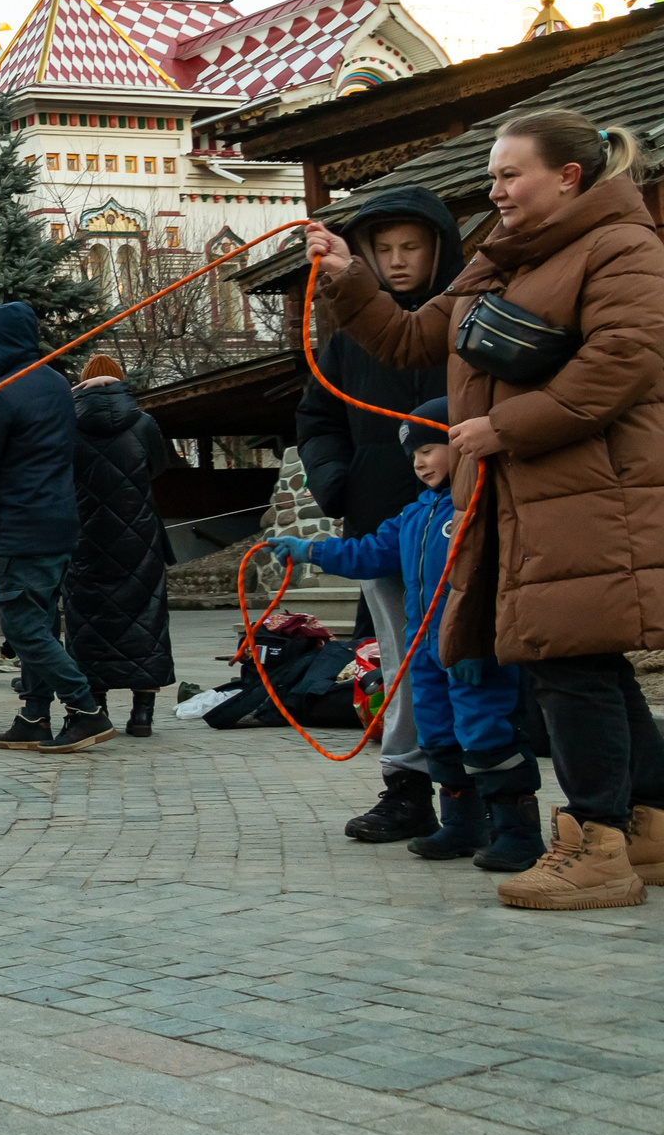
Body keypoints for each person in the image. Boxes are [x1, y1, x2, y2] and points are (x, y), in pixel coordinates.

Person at [302, 109, 664, 910]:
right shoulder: (498, 261)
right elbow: (408, 339)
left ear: (568, 177)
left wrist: (500, 427)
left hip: (589, 495)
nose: (493, 189)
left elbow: (624, 362)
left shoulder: (623, 248)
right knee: (584, 661)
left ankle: (595, 842)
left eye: (510, 174)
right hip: (520, 499)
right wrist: (348, 277)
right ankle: (649, 822)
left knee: (569, 665)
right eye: (493, 174)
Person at [267, 399, 546, 871]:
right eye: (413, 454)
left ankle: (518, 831)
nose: (419, 461)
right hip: (427, 653)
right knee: (437, 733)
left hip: (473, 648)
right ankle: (461, 823)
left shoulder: (482, 506)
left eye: (430, 448)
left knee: (488, 734)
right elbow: (369, 553)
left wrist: (484, 639)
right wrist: (310, 549)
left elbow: (500, 580)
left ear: (461, 447)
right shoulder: (413, 516)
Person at [295, 185, 464, 839]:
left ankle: (481, 792)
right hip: (384, 521)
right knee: (398, 655)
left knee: (471, 653)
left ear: (438, 249)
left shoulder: (468, 318)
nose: (396, 261)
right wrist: (339, 479)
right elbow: (316, 417)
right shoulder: (349, 340)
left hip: (467, 519)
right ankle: (406, 786)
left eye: (410, 247)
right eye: (383, 249)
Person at [0, 303, 115, 753]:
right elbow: (15, 435)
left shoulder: (2, 391)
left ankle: (86, 711)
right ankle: (34, 715)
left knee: (22, 629)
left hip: (22, 525)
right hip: (56, 522)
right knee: (39, 623)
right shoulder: (54, 383)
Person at [66, 355, 177, 738]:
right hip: (139, 537)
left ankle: (97, 708)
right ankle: (142, 714)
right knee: (145, 619)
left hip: (85, 534)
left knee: (89, 623)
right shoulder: (144, 423)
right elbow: (159, 467)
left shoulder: (69, 425)